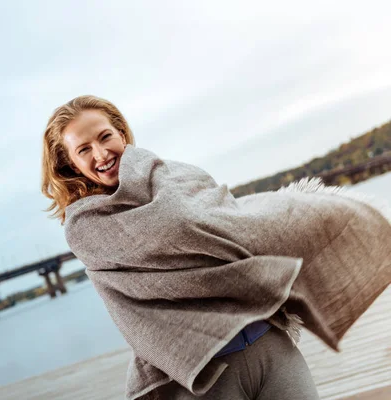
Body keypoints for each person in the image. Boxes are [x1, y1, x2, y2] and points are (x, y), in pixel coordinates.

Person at [40, 95, 390, 399]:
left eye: (105, 137)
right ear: (70, 164)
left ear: (121, 132)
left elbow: (237, 225)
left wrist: (308, 215)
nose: (100, 153)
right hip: (205, 380)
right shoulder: (86, 227)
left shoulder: (178, 175)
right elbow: (187, 239)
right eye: (84, 149)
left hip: (271, 347)